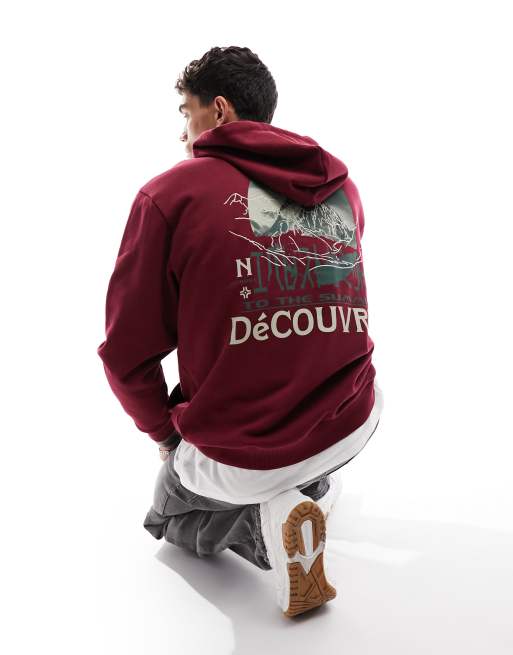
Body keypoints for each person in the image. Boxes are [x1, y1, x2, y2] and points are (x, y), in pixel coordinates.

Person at [96, 45, 384, 618]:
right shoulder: (342, 187)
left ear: (220, 110)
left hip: (243, 450)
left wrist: (165, 436)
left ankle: (268, 528)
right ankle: (312, 489)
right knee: (292, 463)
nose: (183, 132)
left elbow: (126, 354)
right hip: (353, 419)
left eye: (187, 112)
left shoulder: (170, 195)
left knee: (169, 515)